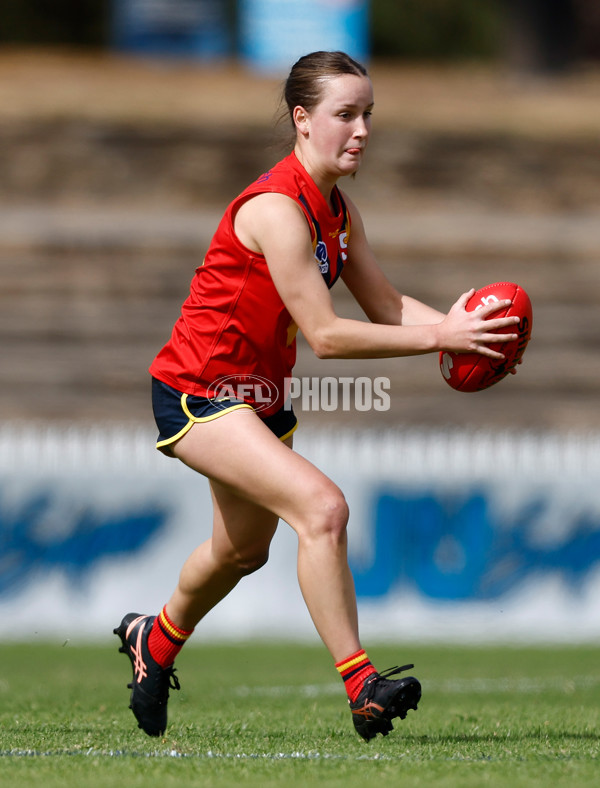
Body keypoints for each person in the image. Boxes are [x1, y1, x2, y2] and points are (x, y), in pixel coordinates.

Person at [114, 51, 520, 742]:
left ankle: (153, 641)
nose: (361, 129)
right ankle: (363, 686)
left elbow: (387, 305)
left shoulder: (337, 208)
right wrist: (442, 336)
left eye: (368, 115)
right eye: (346, 115)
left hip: (259, 400)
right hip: (198, 391)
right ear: (303, 121)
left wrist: (470, 336)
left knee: (241, 551)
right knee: (323, 509)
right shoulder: (277, 209)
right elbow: (327, 336)